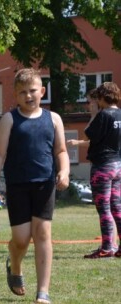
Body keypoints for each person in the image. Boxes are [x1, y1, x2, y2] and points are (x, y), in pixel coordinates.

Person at [0, 68, 70, 304]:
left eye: (33, 91)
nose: (29, 96)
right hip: (17, 186)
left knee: (43, 234)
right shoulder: (9, 119)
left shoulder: (54, 119)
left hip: (45, 185)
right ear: (15, 94)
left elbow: (61, 151)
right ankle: (15, 267)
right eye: (22, 92)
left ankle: (43, 292)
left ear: (42, 91)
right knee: (21, 239)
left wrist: (64, 171)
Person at [79, 82, 121, 258]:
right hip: (118, 165)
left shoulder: (103, 115)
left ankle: (106, 247)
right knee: (117, 207)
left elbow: (87, 134)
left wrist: (95, 113)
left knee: (103, 208)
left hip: (103, 166)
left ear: (102, 97)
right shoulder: (120, 114)